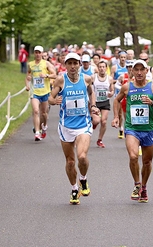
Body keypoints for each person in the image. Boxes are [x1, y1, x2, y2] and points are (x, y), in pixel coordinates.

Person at [111, 59, 153, 203]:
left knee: (147, 162)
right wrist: (116, 117)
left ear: (146, 71)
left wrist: (152, 103)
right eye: (136, 69)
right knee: (133, 156)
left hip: (148, 129)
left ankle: (144, 186)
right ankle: (137, 184)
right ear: (132, 72)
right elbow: (117, 100)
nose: (139, 72)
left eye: (141, 69)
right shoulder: (127, 87)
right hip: (132, 129)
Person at [48, 53, 100, 205]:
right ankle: (74, 188)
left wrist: (94, 105)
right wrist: (54, 100)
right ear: (65, 65)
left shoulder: (86, 78)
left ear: (79, 64)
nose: (72, 66)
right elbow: (50, 98)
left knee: (82, 157)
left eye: (75, 63)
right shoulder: (60, 80)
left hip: (83, 125)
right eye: (69, 63)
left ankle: (83, 179)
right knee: (70, 162)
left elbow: (91, 92)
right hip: (66, 126)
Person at [25, 45, 57, 141]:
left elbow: (55, 75)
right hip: (35, 92)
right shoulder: (30, 64)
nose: (38, 54)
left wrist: (46, 75)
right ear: (34, 53)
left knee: (44, 113)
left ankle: (44, 125)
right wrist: (27, 84)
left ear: (42, 53)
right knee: (35, 111)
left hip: (45, 92)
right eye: (36, 52)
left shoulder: (46, 64)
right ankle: (37, 132)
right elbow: (28, 76)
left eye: (39, 52)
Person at [92, 60, 114, 148]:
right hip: (95, 102)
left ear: (106, 68)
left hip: (105, 101)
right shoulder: (93, 77)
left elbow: (112, 90)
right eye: (100, 67)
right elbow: (89, 89)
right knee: (96, 120)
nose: (101, 69)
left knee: (104, 122)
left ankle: (99, 140)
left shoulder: (109, 78)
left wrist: (111, 93)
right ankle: (93, 123)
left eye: (103, 67)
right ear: (98, 68)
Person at [111, 50, 128, 139]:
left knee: (125, 112)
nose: (123, 59)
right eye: (121, 57)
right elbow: (111, 79)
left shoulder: (129, 67)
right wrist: (118, 81)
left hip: (126, 94)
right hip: (118, 93)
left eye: (124, 57)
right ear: (119, 58)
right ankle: (121, 128)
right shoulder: (115, 68)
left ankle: (125, 129)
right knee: (120, 113)